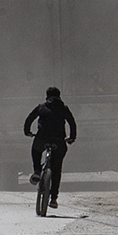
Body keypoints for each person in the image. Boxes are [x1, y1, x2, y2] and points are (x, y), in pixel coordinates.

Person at [23, 86, 77, 217]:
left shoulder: (41, 107)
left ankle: (36, 171)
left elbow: (29, 119)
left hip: (42, 139)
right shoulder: (64, 108)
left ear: (47, 96)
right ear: (59, 96)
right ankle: (53, 199)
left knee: (36, 151)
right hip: (59, 141)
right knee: (56, 168)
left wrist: (27, 132)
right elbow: (72, 123)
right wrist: (71, 138)